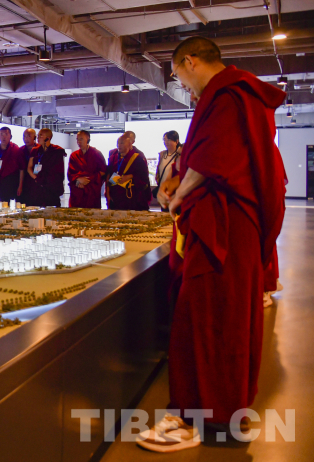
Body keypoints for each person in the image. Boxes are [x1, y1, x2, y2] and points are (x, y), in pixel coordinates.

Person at [140, 36, 286, 453]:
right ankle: (211, 412)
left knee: (207, 317)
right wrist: (178, 181)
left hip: (225, 228)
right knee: (216, 316)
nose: (183, 85)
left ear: (190, 61)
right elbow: (215, 156)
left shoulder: (227, 95)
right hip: (231, 225)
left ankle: (203, 421)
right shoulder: (238, 94)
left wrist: (179, 196)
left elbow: (212, 160)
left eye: (178, 75)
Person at [105, 134, 150, 211]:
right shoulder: (114, 157)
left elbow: (144, 177)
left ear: (129, 144)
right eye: (118, 143)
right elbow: (109, 175)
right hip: (115, 196)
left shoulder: (137, 158)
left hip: (131, 196)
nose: (119, 145)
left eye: (122, 143)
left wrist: (131, 176)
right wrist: (108, 192)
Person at [67, 130, 107, 209]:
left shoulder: (96, 154)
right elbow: (70, 174)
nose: (79, 142)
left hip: (92, 192)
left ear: (87, 139)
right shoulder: (74, 155)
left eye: (81, 139)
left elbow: (103, 172)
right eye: (77, 139)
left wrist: (88, 180)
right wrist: (78, 180)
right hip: (77, 192)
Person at [26, 128, 66, 207]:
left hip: (51, 187)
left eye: (41, 136)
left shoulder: (57, 151)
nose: (38, 138)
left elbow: (59, 171)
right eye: (38, 136)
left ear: (48, 138)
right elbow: (29, 167)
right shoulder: (35, 150)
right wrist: (36, 178)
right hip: (37, 186)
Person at [0, 127, 24, 203]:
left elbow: (21, 169)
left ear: (10, 136)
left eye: (6, 134)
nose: (3, 137)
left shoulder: (16, 149)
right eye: (1, 134)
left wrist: (20, 186)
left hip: (10, 184)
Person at [154, 131, 182, 212]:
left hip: (174, 191)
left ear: (176, 141)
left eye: (169, 140)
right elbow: (159, 172)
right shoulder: (162, 155)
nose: (166, 142)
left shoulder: (179, 155)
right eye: (164, 140)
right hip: (163, 189)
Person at [18, 128, 38, 206]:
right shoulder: (21, 150)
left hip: (36, 180)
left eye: (29, 136)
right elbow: (20, 168)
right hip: (24, 182)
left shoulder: (40, 149)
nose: (26, 139)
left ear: (34, 137)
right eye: (24, 136)